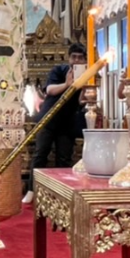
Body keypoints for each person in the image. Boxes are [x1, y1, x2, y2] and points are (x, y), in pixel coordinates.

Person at [27, 43, 87, 200]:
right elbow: (50, 90)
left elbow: (81, 102)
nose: (76, 60)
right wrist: (67, 84)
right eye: (74, 57)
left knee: (64, 158)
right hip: (49, 118)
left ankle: (61, 193)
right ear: (69, 58)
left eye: (80, 58)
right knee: (41, 154)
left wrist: (86, 88)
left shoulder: (86, 75)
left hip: (68, 122)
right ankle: (32, 190)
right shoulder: (59, 71)